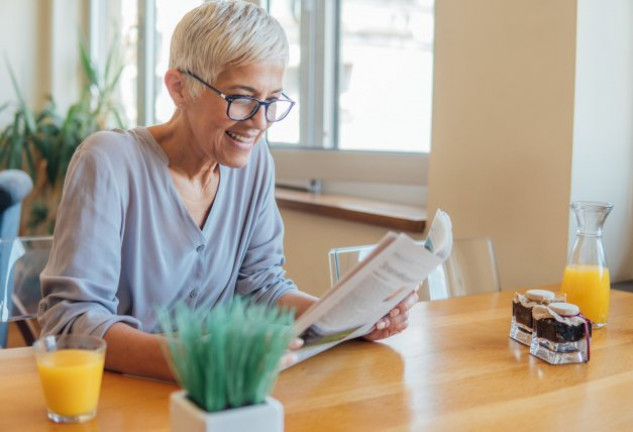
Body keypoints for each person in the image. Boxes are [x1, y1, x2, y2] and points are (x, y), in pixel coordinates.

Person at [37, 0, 418, 380]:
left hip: (222, 397)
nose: (260, 122)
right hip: (120, 397)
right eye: (241, 99)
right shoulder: (108, 162)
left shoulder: (255, 162)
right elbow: (72, 322)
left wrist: (348, 319)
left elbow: (262, 287)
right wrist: (198, 360)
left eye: (271, 102)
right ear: (179, 88)